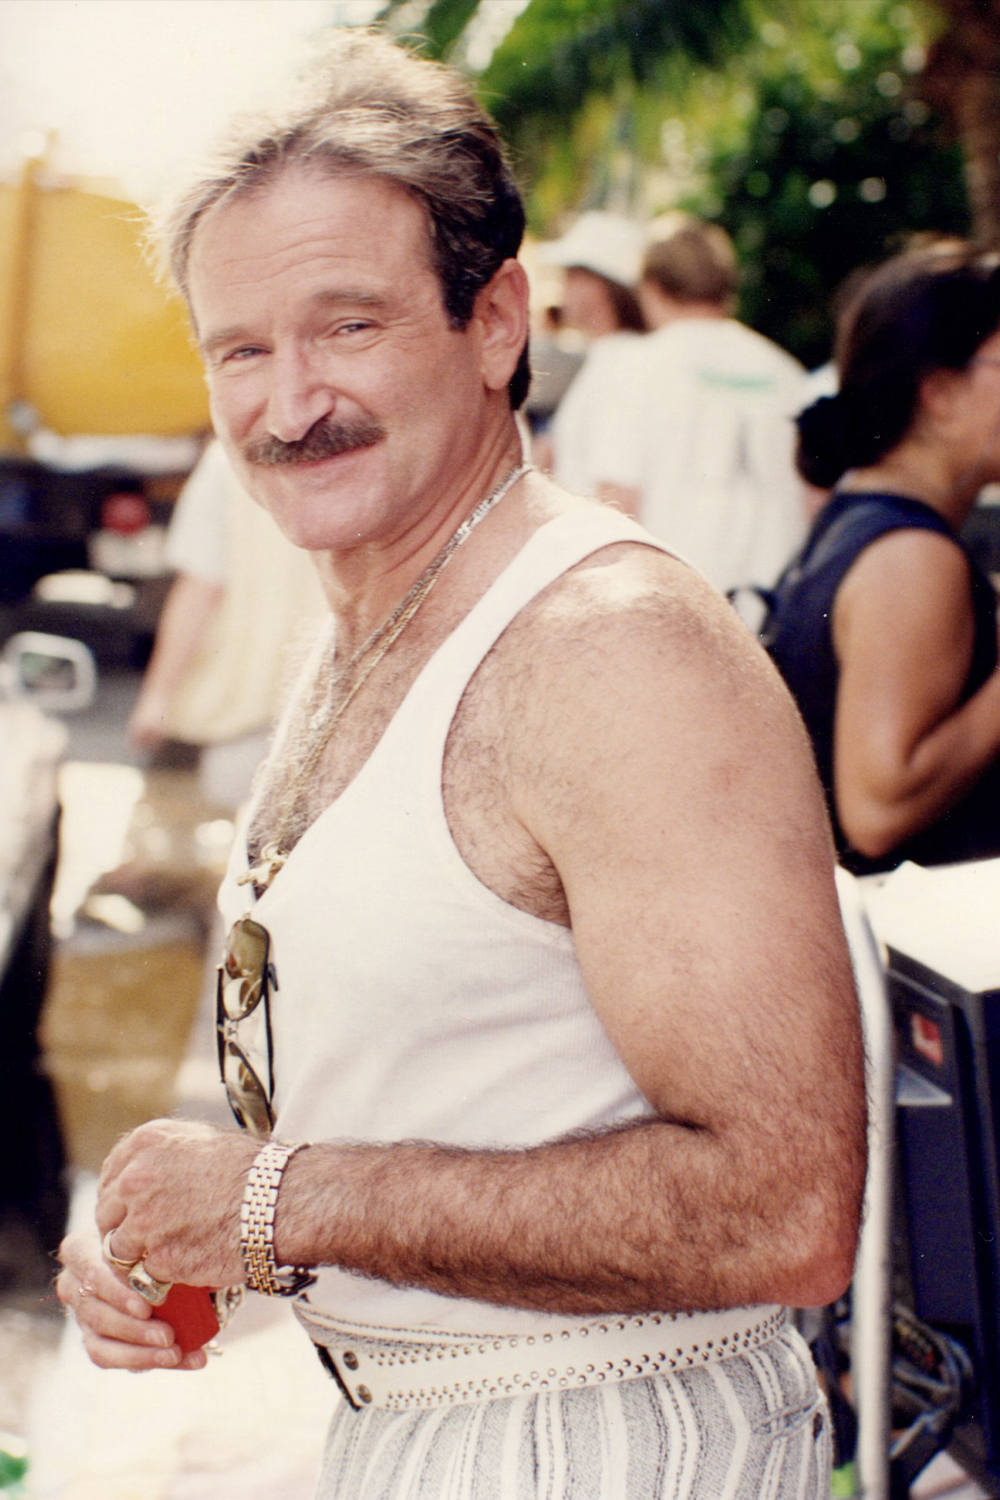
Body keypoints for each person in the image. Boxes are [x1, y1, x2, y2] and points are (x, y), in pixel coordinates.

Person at [57, 30, 866, 1500]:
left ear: (495, 322)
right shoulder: (377, 605)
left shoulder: (612, 649)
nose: (288, 403)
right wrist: (185, 1232)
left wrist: (271, 1201)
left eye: (347, 327)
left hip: (604, 1451)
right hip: (419, 1428)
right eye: (241, 347)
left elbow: (784, 1206)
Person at [767, 242, 1000, 875]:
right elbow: (878, 809)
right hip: (917, 959)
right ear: (941, 393)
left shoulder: (858, 520)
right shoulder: (910, 558)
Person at [589, 218, 809, 595]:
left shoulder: (635, 366)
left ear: (652, 289)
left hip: (676, 608)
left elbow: (617, 505)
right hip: (774, 611)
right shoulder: (786, 372)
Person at [128, 437, 326, 810]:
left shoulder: (229, 461)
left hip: (250, 712)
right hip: (335, 706)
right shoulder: (362, 455)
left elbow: (199, 589)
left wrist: (157, 697)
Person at [534, 209, 647, 495]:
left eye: (572, 276)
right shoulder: (607, 357)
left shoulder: (626, 364)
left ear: (598, 286)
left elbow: (616, 487)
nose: (564, 288)